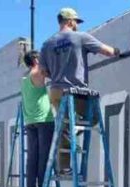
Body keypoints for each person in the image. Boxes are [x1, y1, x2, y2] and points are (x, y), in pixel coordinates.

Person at [39, 7, 121, 173]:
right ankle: (77, 129)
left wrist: (57, 73)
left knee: (63, 127)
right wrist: (118, 52)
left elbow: (42, 72)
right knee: (94, 117)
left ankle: (64, 167)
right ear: (69, 21)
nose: (77, 24)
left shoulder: (47, 44)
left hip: (55, 91)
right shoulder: (80, 38)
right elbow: (107, 51)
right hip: (75, 92)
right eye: (76, 21)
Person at [21, 50, 55, 187]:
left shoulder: (24, 78)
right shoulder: (38, 72)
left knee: (32, 156)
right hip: (43, 120)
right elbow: (55, 74)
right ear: (35, 59)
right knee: (44, 156)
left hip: (30, 121)